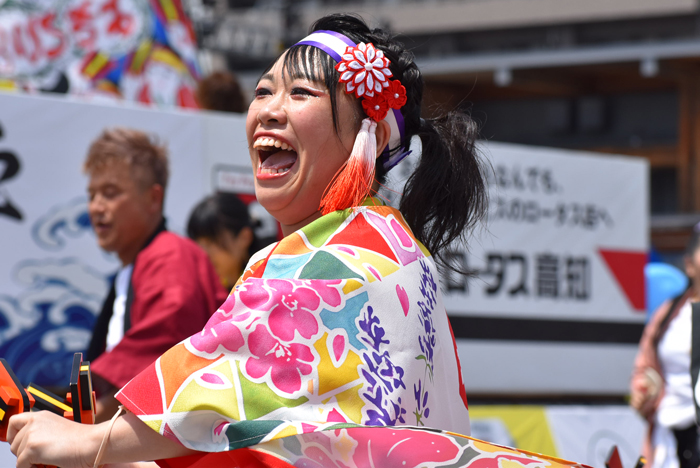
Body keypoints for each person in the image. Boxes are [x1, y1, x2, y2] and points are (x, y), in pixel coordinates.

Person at [8, 14, 489, 467]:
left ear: (374, 133)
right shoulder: (395, 247)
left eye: (301, 92)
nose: (269, 111)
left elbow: (229, 390)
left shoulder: (341, 258)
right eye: (262, 91)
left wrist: (92, 440)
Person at [82, 128, 228, 422]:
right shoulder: (136, 265)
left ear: (153, 198)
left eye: (110, 193)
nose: (96, 206)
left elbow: (167, 338)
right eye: (92, 195)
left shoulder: (170, 255)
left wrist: (85, 423)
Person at [631, 227, 700, 468]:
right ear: (689, 264)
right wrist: (642, 391)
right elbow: (645, 366)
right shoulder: (668, 314)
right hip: (667, 432)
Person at [187, 192, 261, 289]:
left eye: (210, 242)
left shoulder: (267, 286)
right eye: (198, 244)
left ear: (244, 237)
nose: (203, 253)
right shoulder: (201, 290)